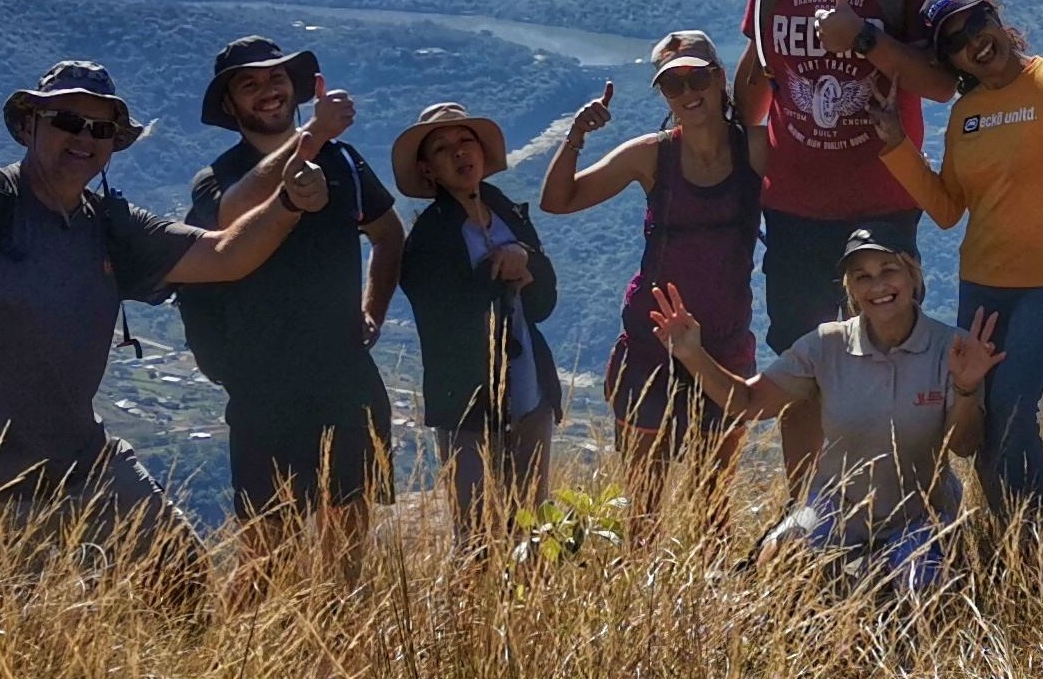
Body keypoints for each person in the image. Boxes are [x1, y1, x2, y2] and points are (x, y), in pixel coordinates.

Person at [0, 60, 326, 597]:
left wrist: (290, 202)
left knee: (182, 584)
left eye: (101, 128)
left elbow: (224, 254)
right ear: (29, 124)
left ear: (113, 145)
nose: (84, 137)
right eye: (68, 119)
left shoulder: (107, 223)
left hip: (79, 462)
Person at [731, 0, 955, 478]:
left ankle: (896, 502)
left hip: (883, 204)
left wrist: (866, 41)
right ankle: (810, 514)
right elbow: (758, 74)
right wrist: (740, 150)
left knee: (889, 360)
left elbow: (941, 83)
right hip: (794, 211)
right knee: (804, 368)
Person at [870, 0, 1043, 524]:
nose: (972, 42)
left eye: (975, 23)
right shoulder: (967, 114)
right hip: (983, 283)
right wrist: (895, 144)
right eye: (953, 42)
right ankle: (1005, 534)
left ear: (995, 17)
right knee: (974, 408)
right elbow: (947, 208)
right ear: (950, 61)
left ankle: (1030, 539)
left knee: (1010, 405)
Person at [647, 231, 1002, 593]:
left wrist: (966, 389)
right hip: (838, 505)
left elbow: (964, 445)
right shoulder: (826, 345)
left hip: (919, 513)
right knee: (779, 564)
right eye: (862, 276)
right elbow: (749, 403)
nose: (877, 285)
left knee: (921, 594)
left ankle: (879, 576)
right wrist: (691, 353)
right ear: (851, 289)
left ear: (913, 276)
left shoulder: (954, 348)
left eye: (889, 270)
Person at [175, 35, 403, 568]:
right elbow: (231, 217)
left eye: (276, 78)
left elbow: (389, 235)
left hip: (343, 376)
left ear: (294, 86)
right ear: (230, 106)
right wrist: (313, 135)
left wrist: (374, 311)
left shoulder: (344, 162)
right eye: (249, 84)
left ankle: (338, 645)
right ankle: (256, 648)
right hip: (262, 386)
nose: (268, 91)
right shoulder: (218, 178)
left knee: (346, 555)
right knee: (266, 560)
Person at [538, 31, 763, 535]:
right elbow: (559, 201)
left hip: (721, 348)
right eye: (672, 84)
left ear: (720, 77)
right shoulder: (651, 155)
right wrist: (576, 135)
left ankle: (710, 600)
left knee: (715, 506)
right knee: (642, 509)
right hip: (651, 346)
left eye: (698, 77)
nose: (688, 92)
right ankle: (643, 601)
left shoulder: (755, 150)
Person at [389, 102, 560, 547]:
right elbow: (444, 318)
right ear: (428, 171)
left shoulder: (505, 210)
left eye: (466, 142)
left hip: (529, 389)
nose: (459, 153)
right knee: (477, 531)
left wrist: (526, 264)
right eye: (443, 149)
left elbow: (543, 304)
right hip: (467, 400)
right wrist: (498, 270)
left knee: (533, 524)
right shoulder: (428, 239)